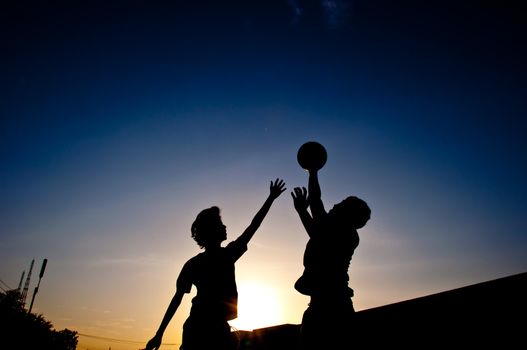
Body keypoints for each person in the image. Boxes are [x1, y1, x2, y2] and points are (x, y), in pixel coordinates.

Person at [144, 179, 286, 350]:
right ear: (211, 230)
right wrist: (159, 334)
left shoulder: (198, 262)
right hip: (202, 330)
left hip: (209, 328)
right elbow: (252, 227)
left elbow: (177, 299)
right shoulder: (222, 257)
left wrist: (160, 334)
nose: (225, 226)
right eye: (220, 224)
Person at [291, 169, 370, 350]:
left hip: (332, 307)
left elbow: (316, 204)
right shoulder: (336, 230)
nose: (335, 205)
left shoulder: (346, 234)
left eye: (341, 205)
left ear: (348, 216)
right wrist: (302, 210)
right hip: (325, 303)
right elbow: (315, 220)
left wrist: (312, 171)